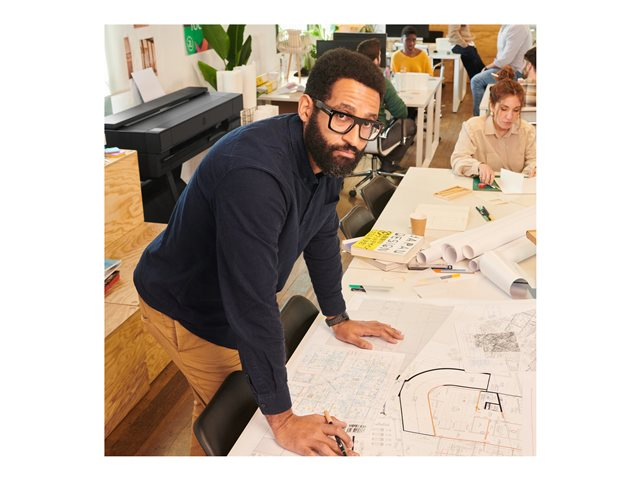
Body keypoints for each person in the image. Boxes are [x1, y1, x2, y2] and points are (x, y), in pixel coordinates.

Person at [133, 48, 405, 457]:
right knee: (235, 418)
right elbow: (251, 302)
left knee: (222, 413)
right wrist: (283, 419)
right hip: (185, 304)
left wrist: (338, 317)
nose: (354, 138)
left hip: (232, 294)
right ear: (307, 108)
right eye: (343, 116)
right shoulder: (255, 176)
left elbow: (321, 236)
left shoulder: (329, 153)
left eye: (367, 123)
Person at [451, 66, 536, 185]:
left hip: (516, 191)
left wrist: (532, 170)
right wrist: (478, 166)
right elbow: (458, 160)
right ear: (491, 105)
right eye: (504, 109)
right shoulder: (472, 127)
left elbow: (533, 161)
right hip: (482, 191)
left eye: (516, 110)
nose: (509, 116)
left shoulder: (527, 130)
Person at [357, 38, 416, 172]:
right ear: (376, 60)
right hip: (375, 138)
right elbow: (402, 112)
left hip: (352, 135)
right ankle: (388, 163)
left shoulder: (348, 79)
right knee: (410, 124)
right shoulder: (381, 82)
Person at [470, 25, 532, 116]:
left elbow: (506, 59)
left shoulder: (517, 26)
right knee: (480, 79)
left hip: (515, 72)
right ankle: (487, 115)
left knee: (477, 81)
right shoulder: (506, 26)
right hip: (505, 68)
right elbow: (502, 58)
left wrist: (487, 67)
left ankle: (478, 119)